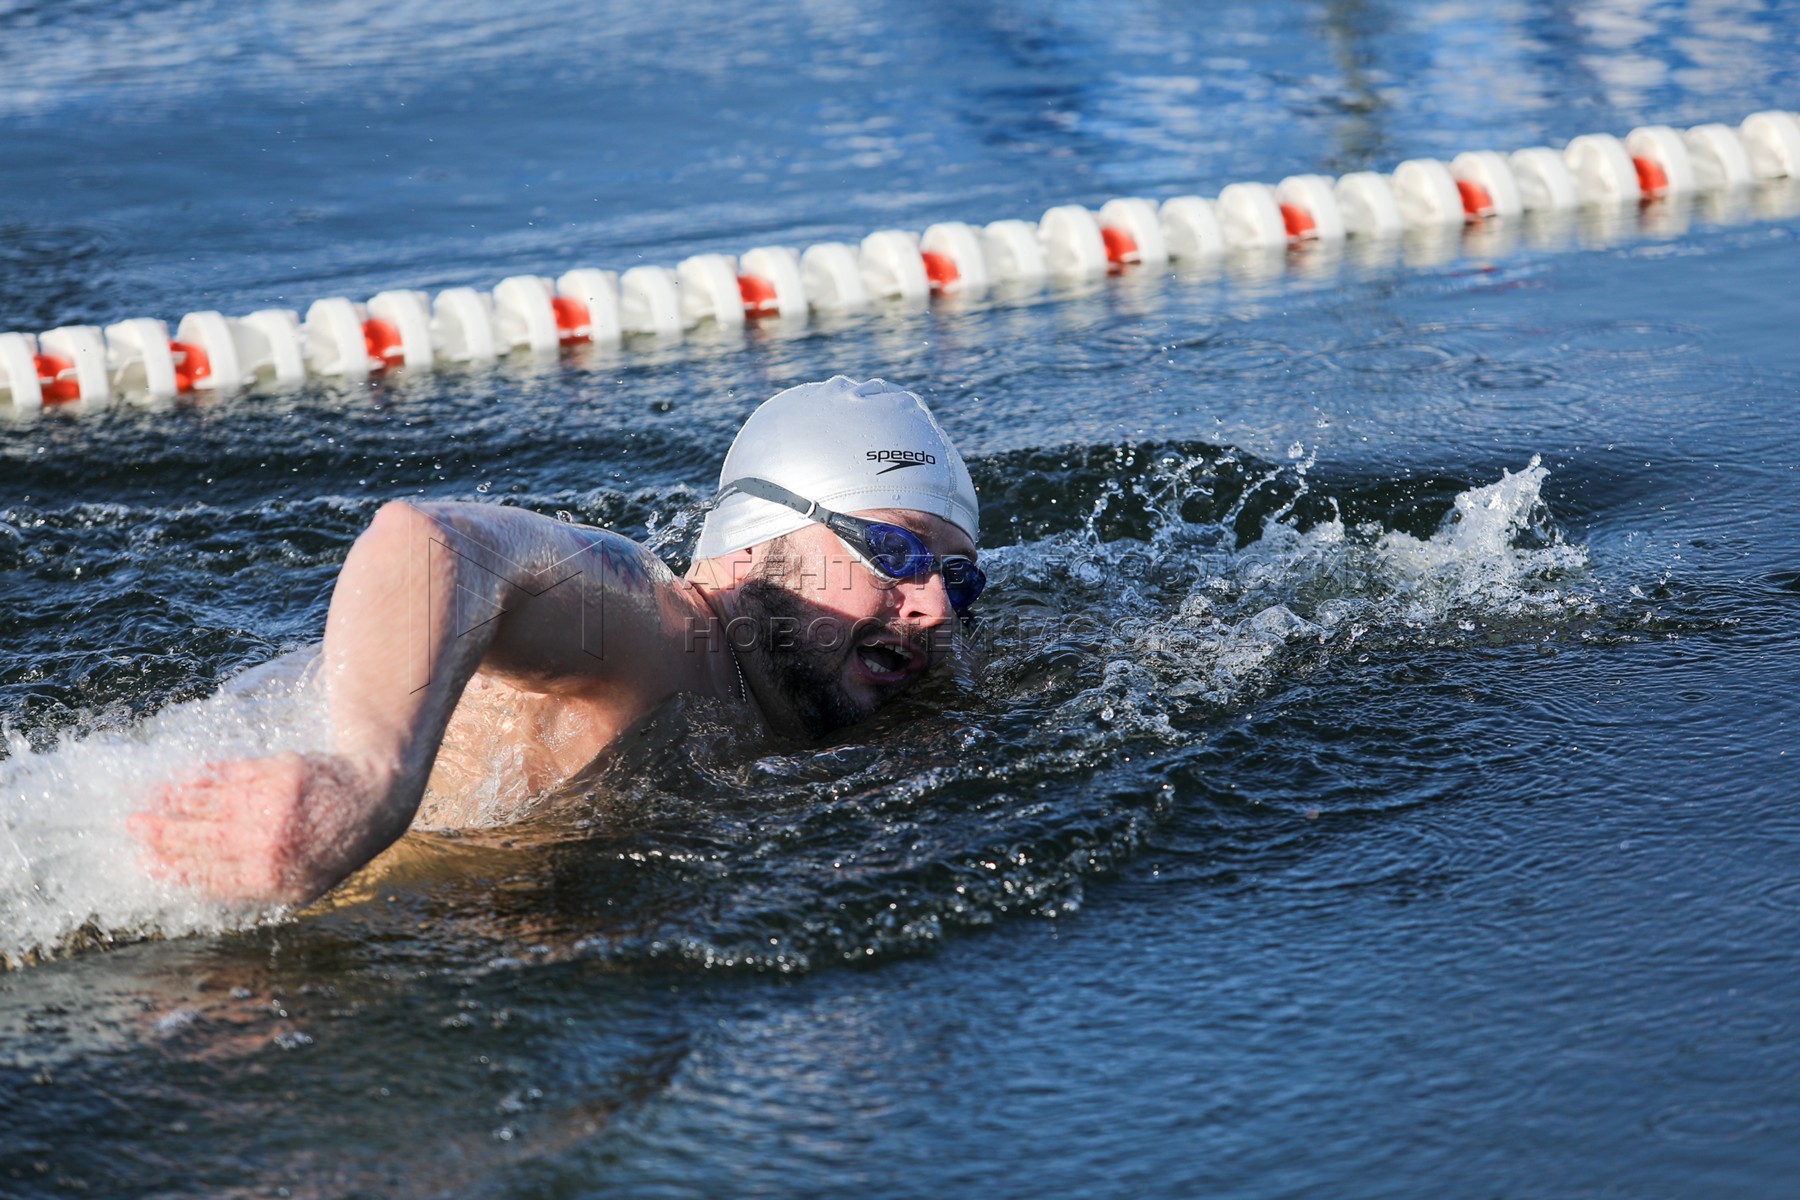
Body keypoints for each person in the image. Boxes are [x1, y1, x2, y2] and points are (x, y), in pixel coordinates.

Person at [129, 377, 984, 906]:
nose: (936, 608)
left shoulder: (830, 695)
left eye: (959, 578)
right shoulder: (667, 634)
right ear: (759, 540)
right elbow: (434, 543)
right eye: (894, 553)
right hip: (181, 831)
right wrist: (368, 780)